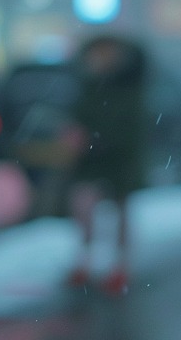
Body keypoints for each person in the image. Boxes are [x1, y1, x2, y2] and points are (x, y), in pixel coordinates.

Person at [64, 34, 149, 295]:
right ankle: (85, 263)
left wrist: (93, 139)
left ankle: (120, 268)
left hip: (120, 159)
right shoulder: (89, 85)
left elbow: (128, 127)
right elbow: (79, 115)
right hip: (91, 159)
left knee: (120, 212)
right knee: (84, 208)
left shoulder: (128, 86)